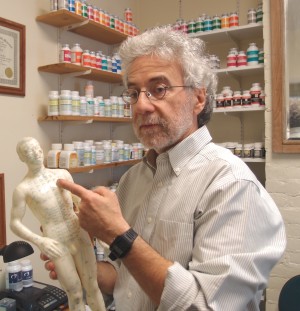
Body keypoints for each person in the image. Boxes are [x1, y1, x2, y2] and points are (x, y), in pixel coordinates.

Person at [44, 26, 286, 310]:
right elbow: (127, 281)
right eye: (133, 93)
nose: (141, 106)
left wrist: (118, 235)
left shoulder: (231, 184)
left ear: (198, 98)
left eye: (158, 89)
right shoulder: (134, 179)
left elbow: (204, 306)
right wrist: (83, 267)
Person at [10, 137, 106, 311]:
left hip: (79, 232)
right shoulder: (23, 189)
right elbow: (14, 223)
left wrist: (99, 228)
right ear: (22, 158)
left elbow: (80, 202)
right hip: (56, 242)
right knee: (75, 293)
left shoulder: (62, 174)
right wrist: (40, 241)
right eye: (28, 151)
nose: (36, 153)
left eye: (37, 148)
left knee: (93, 287)